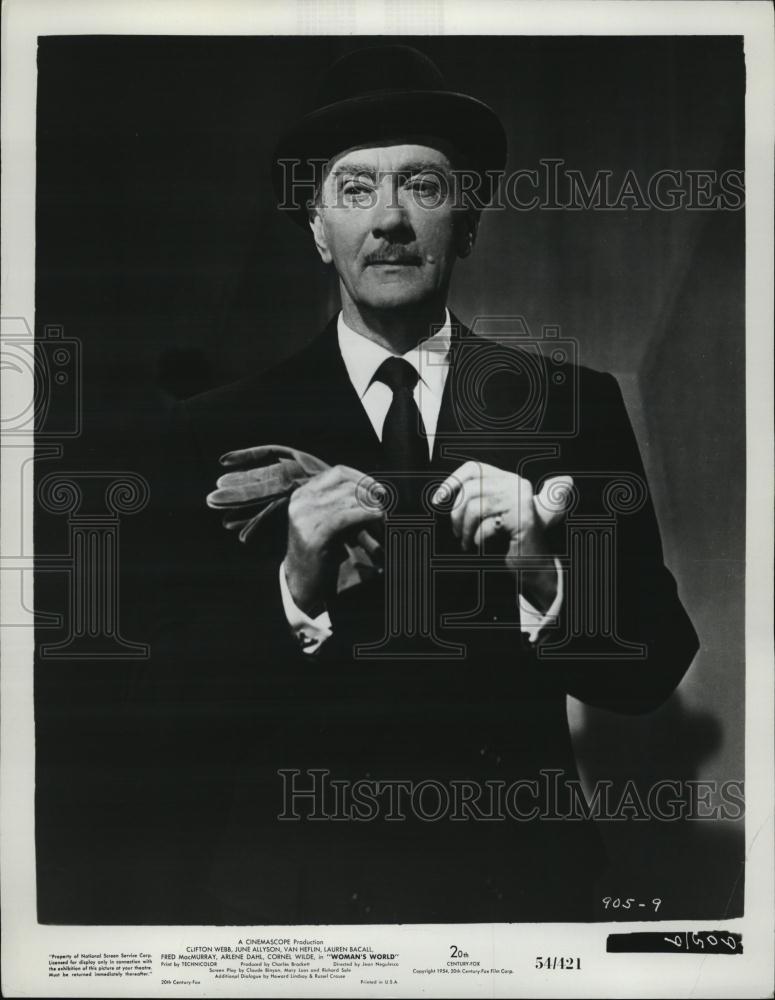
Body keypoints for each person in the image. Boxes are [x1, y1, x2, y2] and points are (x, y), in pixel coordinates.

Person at [147, 44, 699, 924]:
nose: (391, 219)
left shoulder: (570, 407)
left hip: (516, 893)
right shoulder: (212, 428)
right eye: (355, 190)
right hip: (302, 905)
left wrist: (546, 576)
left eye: (424, 187)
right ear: (316, 228)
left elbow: (654, 666)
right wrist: (294, 589)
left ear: (468, 221)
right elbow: (156, 715)